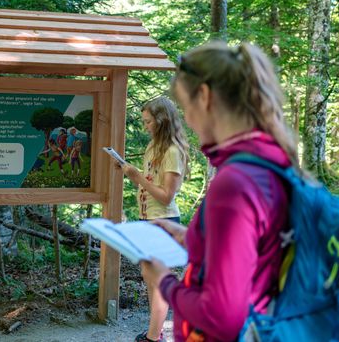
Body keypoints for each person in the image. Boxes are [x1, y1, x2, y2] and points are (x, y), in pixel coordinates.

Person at [142, 41, 298, 342]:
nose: (186, 119)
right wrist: (193, 238)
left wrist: (165, 283)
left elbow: (222, 316)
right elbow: (258, 251)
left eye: (186, 107)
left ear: (204, 96)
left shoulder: (234, 183)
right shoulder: (272, 160)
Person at [120, 96, 189, 342]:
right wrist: (133, 175)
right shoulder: (153, 147)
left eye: (148, 122)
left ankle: (151, 338)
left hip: (164, 221)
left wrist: (137, 178)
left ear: (161, 121)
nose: (145, 126)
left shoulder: (172, 151)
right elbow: (151, 184)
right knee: (149, 280)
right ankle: (155, 333)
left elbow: (167, 196)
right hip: (145, 219)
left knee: (158, 282)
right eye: (143, 121)